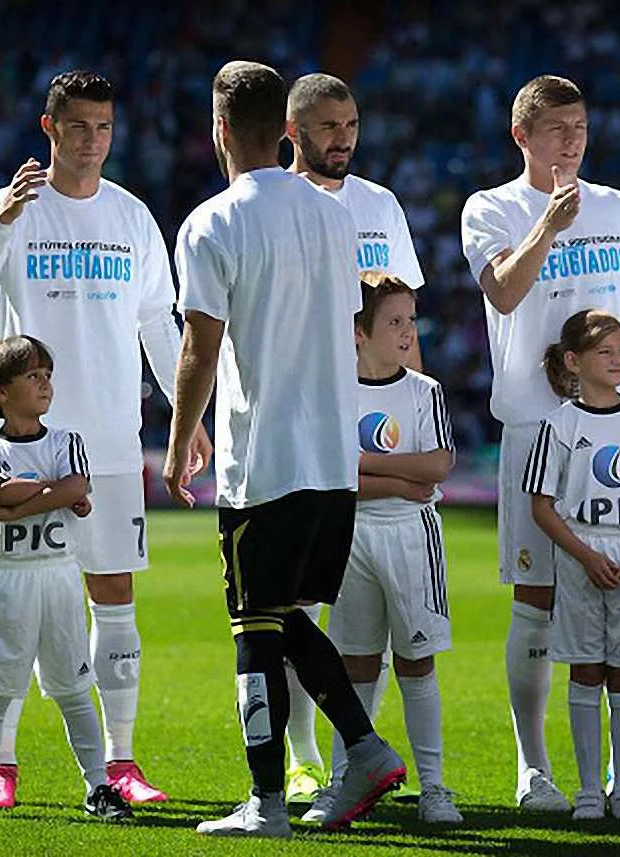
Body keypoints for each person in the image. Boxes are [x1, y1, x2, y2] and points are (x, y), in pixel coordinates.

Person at [0, 70, 211, 807]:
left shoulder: (132, 217)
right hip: (24, 446)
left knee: (115, 593)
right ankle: (1, 766)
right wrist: (0, 215)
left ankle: (121, 761)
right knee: (19, 602)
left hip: (111, 442)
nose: (92, 141)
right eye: (78, 127)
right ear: (49, 129)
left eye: (103, 127)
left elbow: (161, 325)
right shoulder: (7, 211)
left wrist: (187, 421)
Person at [164, 60, 407, 838]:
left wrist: (176, 445)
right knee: (278, 614)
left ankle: (266, 802)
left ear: (220, 129)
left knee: (251, 623)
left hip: (264, 453)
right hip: (332, 458)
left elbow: (199, 348)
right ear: (289, 131)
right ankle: (364, 748)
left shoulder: (212, 223)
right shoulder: (335, 216)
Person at [460, 74, 620, 812]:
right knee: (537, 598)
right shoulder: (491, 207)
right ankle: (533, 766)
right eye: (556, 128)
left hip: (619, 426)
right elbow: (505, 292)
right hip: (537, 424)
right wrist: (547, 226)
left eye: (580, 127)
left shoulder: (615, 206)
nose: (573, 140)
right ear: (521, 136)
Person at [282, 70, 427, 804]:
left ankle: (352, 759)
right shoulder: (279, 204)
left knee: (369, 611)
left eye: (351, 125)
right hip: (302, 419)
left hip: (375, 416)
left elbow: (404, 320)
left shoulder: (380, 205)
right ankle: (301, 753)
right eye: (328, 127)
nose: (343, 139)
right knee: (300, 603)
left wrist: (422, 408)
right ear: (293, 130)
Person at [0, 335, 131, 823]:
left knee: (73, 687)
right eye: (32, 375)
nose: (45, 383)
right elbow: (7, 490)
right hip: (8, 579)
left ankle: (99, 788)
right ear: (1, 391)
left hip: (60, 575)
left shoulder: (67, 440)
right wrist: (53, 491)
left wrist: (15, 506)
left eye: (47, 374)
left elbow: (67, 488)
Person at [301, 274, 461, 826]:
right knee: (355, 664)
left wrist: (364, 466)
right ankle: (348, 781)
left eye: (411, 320)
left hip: (413, 538)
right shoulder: (333, 391)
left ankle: (435, 787)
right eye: (394, 321)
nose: (407, 331)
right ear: (358, 331)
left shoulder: (424, 391)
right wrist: (396, 479)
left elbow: (438, 466)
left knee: (417, 661)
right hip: (348, 536)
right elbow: (331, 477)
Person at [525, 310, 620, 821]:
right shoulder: (560, 424)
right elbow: (541, 506)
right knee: (585, 670)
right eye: (605, 351)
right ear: (573, 361)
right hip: (580, 565)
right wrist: (585, 556)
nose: (617, 360)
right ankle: (588, 789)